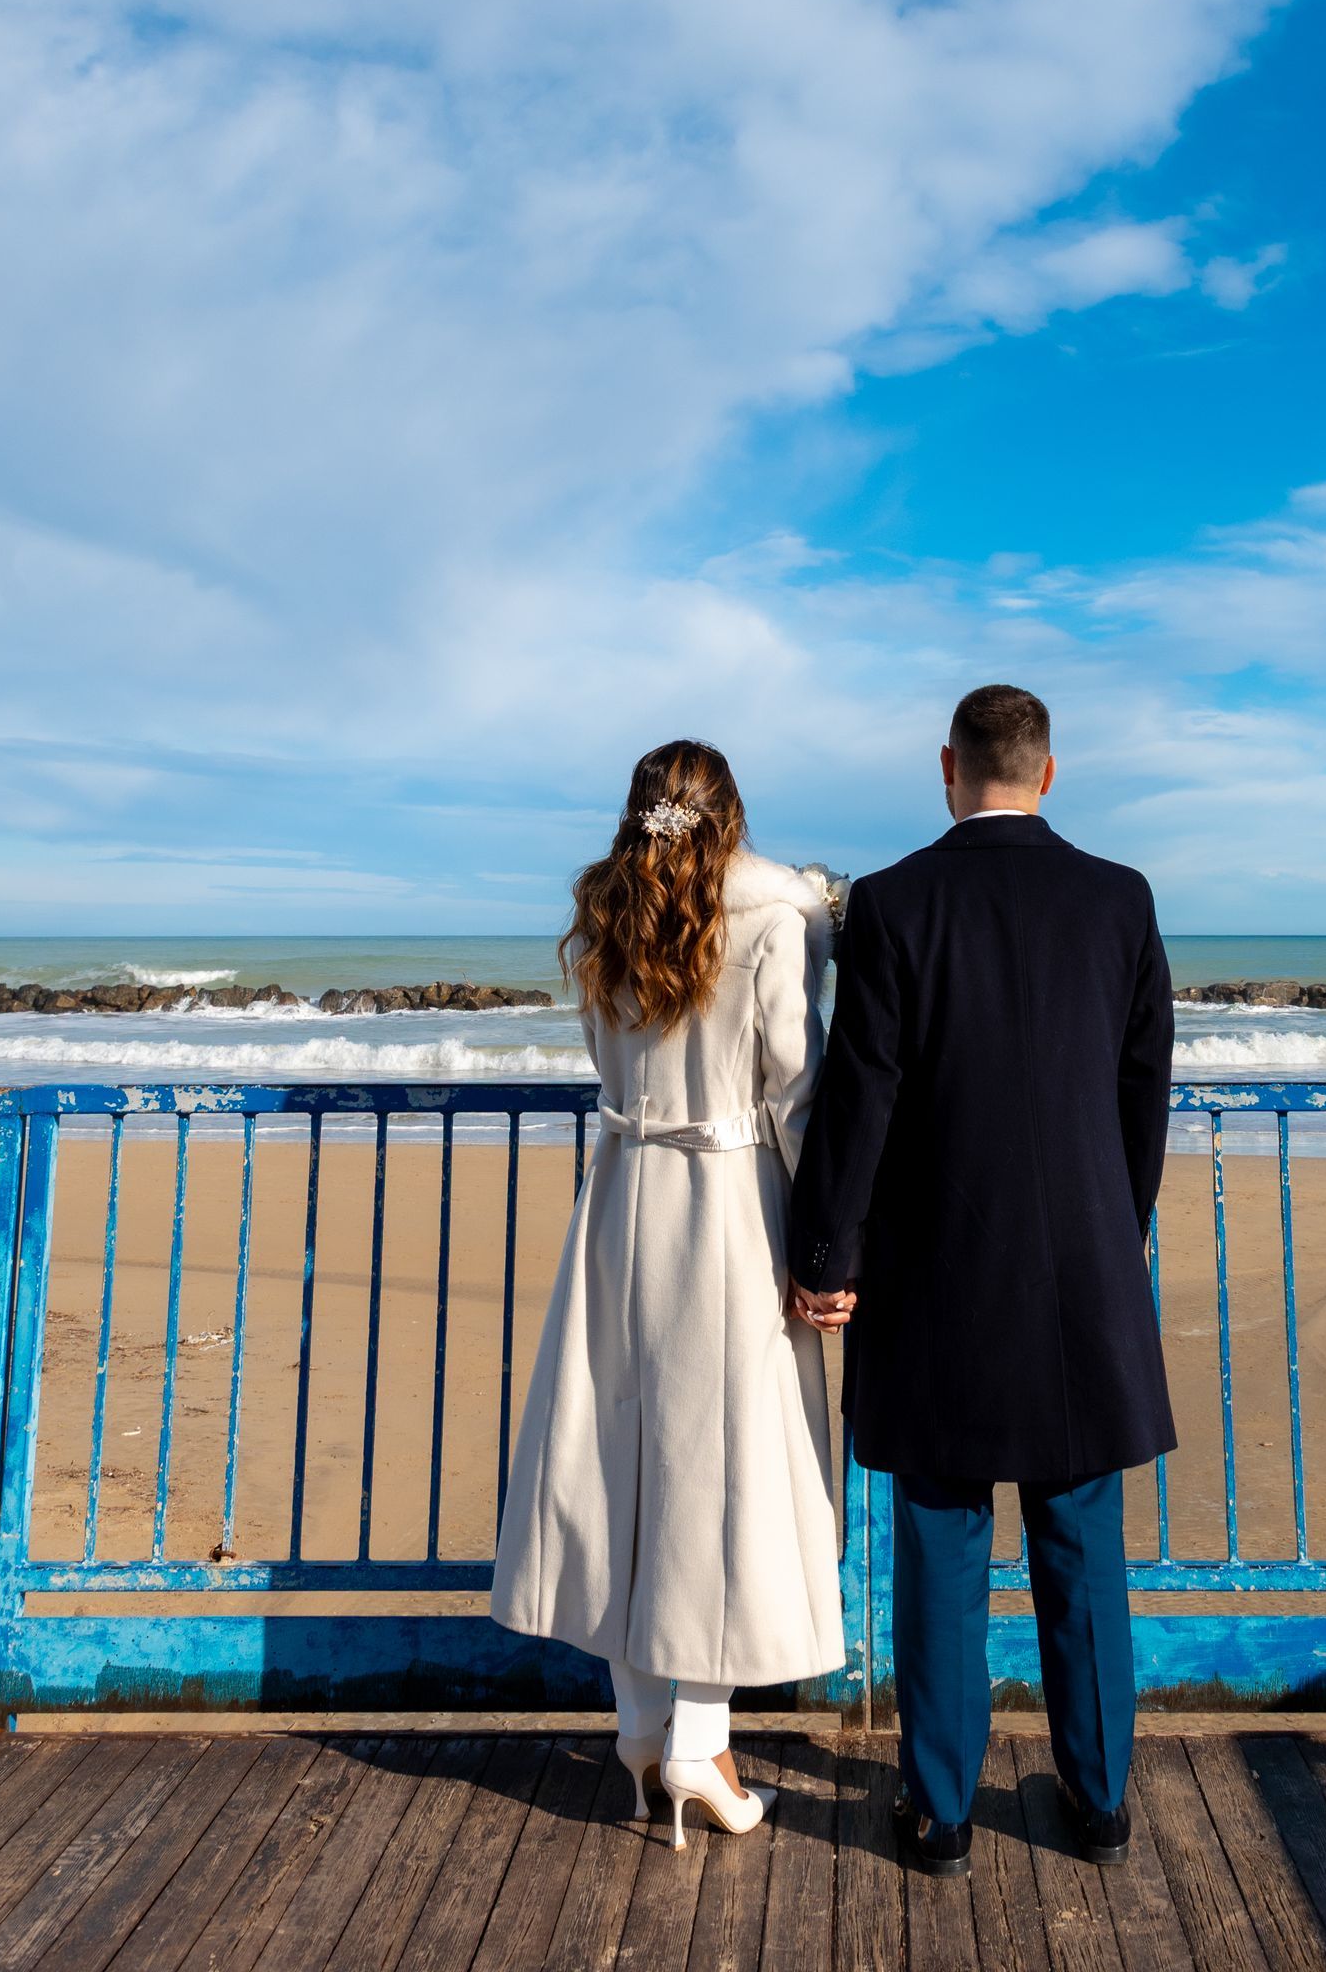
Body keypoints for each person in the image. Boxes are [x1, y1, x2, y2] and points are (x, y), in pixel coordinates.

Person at [787, 684, 1175, 1876]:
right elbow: (1142, 1086)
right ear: (1049, 774)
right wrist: (1120, 1225)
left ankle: (941, 1816)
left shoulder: (896, 904)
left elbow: (864, 1096)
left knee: (943, 1553)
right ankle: (1100, 1805)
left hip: (937, 1277)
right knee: (1080, 1545)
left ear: (947, 767)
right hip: (1080, 1278)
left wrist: (825, 1255)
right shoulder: (1120, 898)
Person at [492, 740, 843, 1846]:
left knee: (621, 1467)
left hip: (623, 1199)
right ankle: (699, 1741)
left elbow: (606, 1061)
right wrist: (831, 1238)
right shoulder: (772, 924)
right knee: (722, 1474)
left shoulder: (607, 920)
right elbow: (797, 1088)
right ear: (731, 818)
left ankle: (641, 1735)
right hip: (731, 1207)